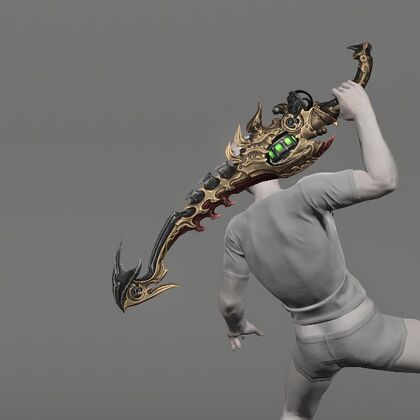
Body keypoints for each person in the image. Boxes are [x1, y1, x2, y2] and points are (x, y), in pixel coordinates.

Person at [219, 80, 420, 420]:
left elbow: (229, 303)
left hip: (311, 349)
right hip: (364, 330)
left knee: (294, 414)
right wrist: (363, 112)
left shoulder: (236, 230)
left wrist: (236, 326)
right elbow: (383, 179)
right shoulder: (305, 193)